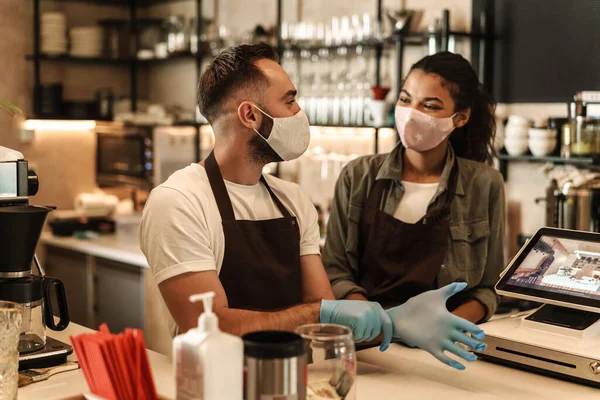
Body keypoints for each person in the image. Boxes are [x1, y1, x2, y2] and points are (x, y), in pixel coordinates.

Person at [140, 44, 486, 370]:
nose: (299, 113)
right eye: (290, 101)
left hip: (296, 381)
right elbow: (212, 327)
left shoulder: (292, 199)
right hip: (216, 385)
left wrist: (392, 323)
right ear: (251, 115)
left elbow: (328, 317)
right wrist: (327, 313)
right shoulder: (179, 201)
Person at [324, 51, 505, 325]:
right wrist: (381, 325)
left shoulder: (484, 183)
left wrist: (445, 327)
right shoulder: (357, 176)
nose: (411, 114)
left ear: (461, 117)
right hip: (369, 339)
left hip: (445, 342)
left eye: (429, 106)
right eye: (406, 100)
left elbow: (489, 288)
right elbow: (336, 273)